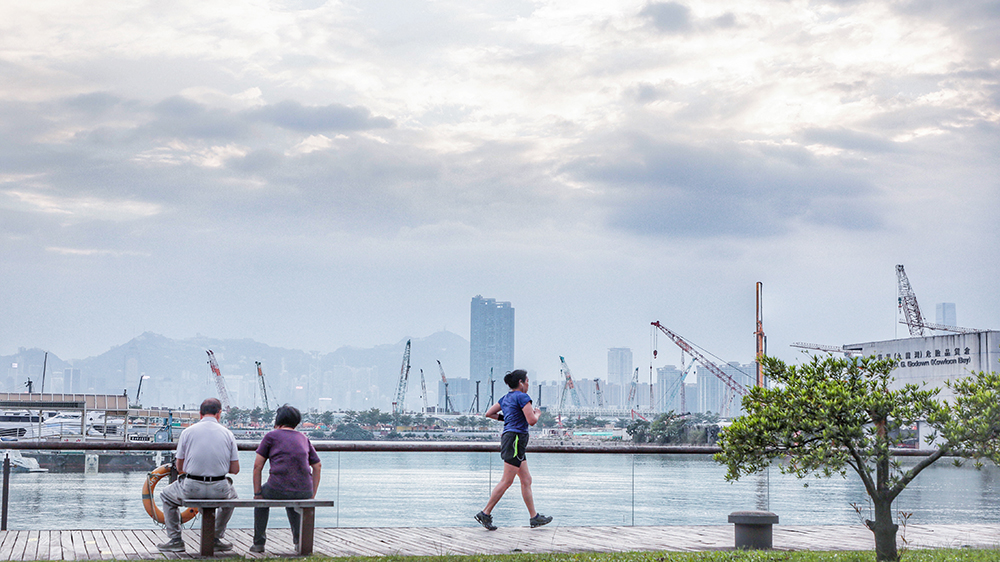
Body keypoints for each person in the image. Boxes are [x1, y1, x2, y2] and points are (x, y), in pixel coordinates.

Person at [157, 398, 240, 553]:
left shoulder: (187, 432)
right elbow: (235, 469)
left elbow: (180, 467)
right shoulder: (228, 434)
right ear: (219, 413)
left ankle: (175, 539)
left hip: (192, 487)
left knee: (166, 496)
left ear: (200, 414)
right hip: (219, 489)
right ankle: (215, 537)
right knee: (233, 498)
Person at [474, 369, 553, 530]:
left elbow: (489, 413)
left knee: (526, 480)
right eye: (527, 381)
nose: (528, 384)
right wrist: (537, 414)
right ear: (521, 383)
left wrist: (507, 417)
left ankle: (534, 517)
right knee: (507, 480)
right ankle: (485, 512)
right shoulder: (523, 397)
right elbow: (531, 421)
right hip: (516, 439)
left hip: (513, 439)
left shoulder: (506, 398)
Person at [250, 404, 322, 553]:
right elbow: (317, 466)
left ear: (278, 420)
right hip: (304, 490)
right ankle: (298, 541)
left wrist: (257, 493)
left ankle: (259, 543)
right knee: (293, 495)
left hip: (276, 488)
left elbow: (257, 466)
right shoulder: (304, 438)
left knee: (261, 500)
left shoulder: (271, 436)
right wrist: (312, 493)